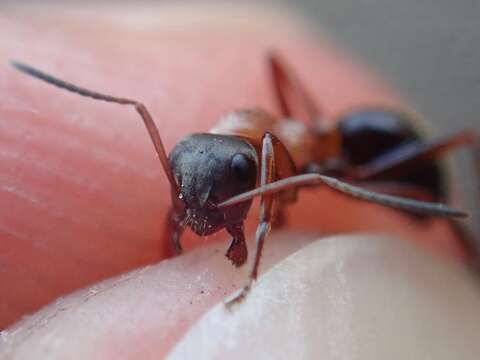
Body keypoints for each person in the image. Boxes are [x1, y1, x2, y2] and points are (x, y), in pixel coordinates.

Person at [1, 3, 479, 358]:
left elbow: (271, 150)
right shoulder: (242, 142)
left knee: (452, 151)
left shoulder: (276, 148)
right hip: (302, 150)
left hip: (374, 153)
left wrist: (259, 246)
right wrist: (185, 210)